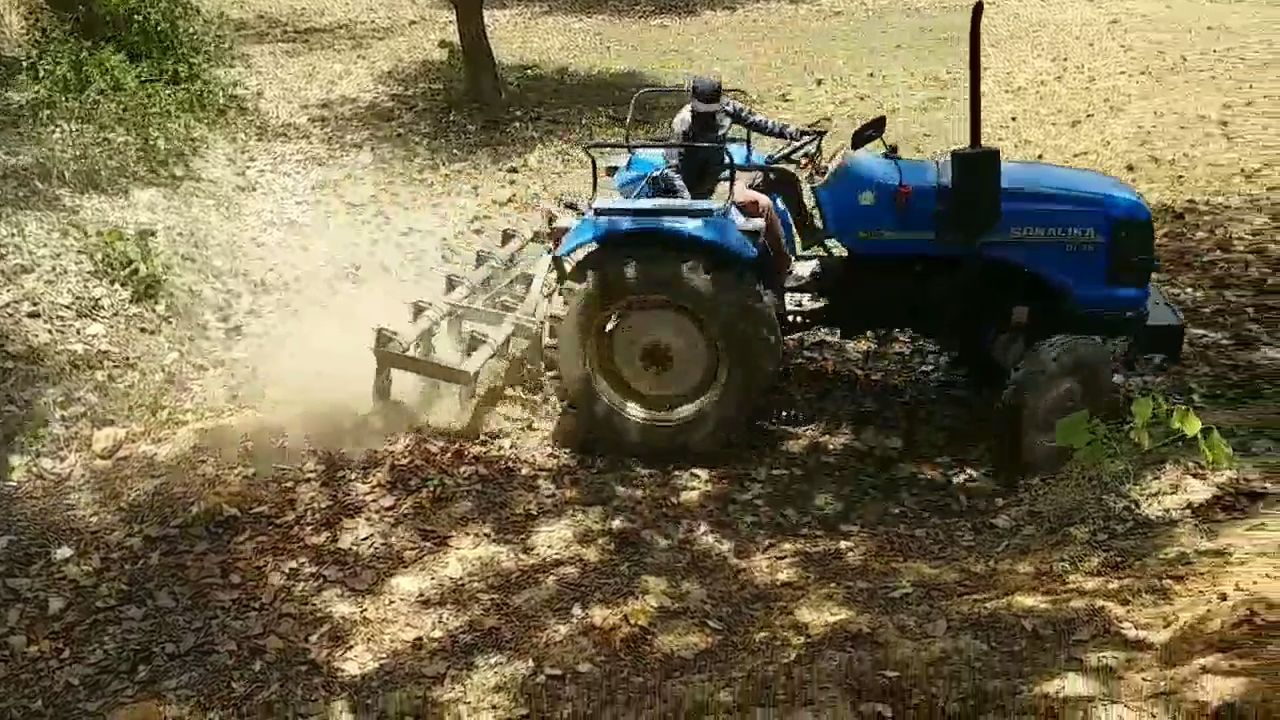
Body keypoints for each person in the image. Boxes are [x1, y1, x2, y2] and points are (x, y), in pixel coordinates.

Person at [647, 75, 821, 279]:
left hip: (723, 171)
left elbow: (758, 122)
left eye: (712, 111)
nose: (708, 116)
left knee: (784, 178)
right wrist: (690, 203)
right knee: (762, 205)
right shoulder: (683, 124)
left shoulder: (727, 107)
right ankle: (785, 269)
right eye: (703, 111)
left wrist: (794, 133)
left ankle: (808, 233)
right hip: (703, 187)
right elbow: (672, 169)